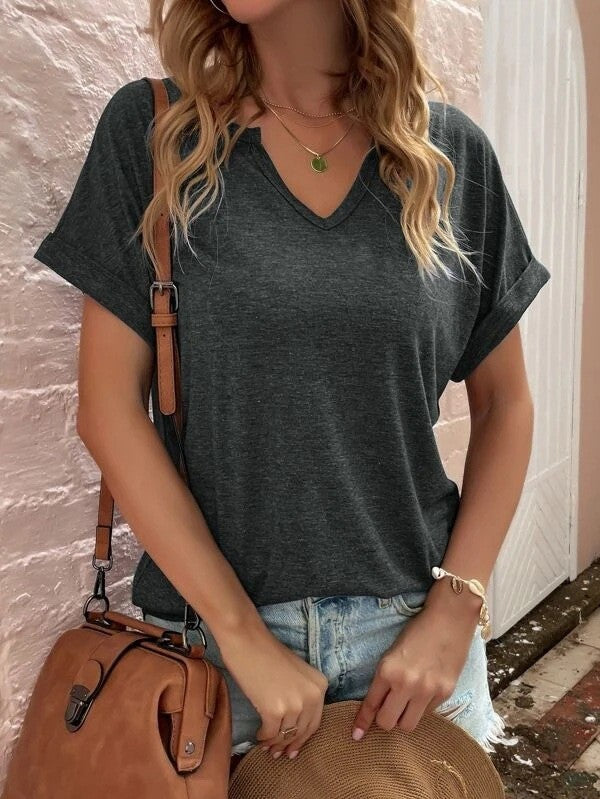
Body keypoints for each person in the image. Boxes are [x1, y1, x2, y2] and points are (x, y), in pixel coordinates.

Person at [33, 0, 550, 767]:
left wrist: (454, 608)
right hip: (213, 661)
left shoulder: (449, 157)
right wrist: (242, 635)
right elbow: (108, 410)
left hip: (412, 650)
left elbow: (505, 402)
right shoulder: (156, 135)